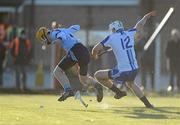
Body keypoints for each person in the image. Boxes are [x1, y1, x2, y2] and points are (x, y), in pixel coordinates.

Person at [92, 11, 156, 108]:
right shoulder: (130, 33)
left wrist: (95, 55)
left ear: (114, 29)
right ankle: (148, 105)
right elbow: (139, 25)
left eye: (112, 30)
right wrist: (145, 17)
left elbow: (95, 49)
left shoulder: (111, 37)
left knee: (98, 75)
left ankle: (119, 92)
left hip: (124, 72)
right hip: (134, 69)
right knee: (131, 83)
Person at [36, 24, 103, 102]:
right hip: (83, 51)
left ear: (45, 36)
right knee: (83, 79)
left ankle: (68, 90)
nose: (44, 42)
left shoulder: (54, 34)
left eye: (43, 40)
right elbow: (77, 27)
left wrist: (51, 42)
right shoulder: (61, 30)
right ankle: (97, 85)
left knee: (57, 71)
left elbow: (61, 38)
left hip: (75, 51)